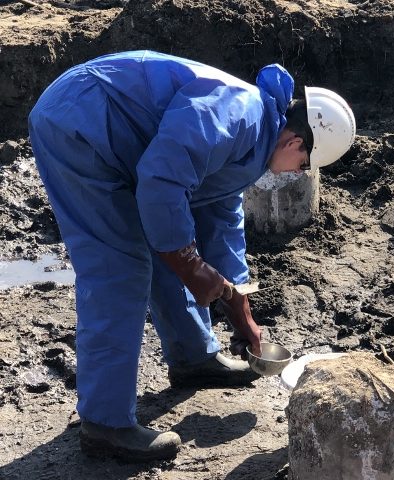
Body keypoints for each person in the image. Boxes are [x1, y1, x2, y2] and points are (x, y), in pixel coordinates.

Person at [28, 50, 356, 462]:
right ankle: (105, 424)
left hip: (115, 138)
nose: (295, 173)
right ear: (294, 141)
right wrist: (188, 261)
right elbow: (163, 180)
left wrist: (236, 297)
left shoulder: (255, 140)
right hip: (80, 124)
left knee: (171, 238)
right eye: (302, 163)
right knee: (121, 269)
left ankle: (193, 356)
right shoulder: (238, 112)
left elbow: (217, 213)